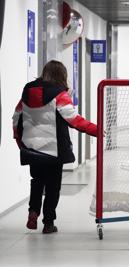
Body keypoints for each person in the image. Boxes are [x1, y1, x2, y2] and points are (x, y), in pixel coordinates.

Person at [12, 60, 97, 234]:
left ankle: (33, 211)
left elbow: (16, 119)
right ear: (62, 75)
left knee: (36, 181)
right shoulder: (59, 95)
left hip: (31, 148)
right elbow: (74, 121)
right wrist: (97, 130)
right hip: (53, 150)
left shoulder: (27, 93)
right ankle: (48, 223)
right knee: (52, 187)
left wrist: (20, 142)